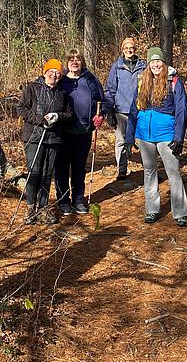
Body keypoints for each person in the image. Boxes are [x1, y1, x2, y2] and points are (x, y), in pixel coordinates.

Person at [125, 47, 187, 226]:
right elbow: (133, 109)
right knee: (149, 171)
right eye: (152, 61)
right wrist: (129, 137)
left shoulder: (173, 81)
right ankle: (152, 210)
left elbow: (182, 110)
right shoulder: (141, 81)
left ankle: (180, 212)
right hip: (144, 134)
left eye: (158, 61)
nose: (155, 65)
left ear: (163, 62)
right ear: (148, 64)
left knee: (173, 171)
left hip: (167, 133)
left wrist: (179, 137)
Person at [17, 59, 72, 225]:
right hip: (33, 136)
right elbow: (21, 108)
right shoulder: (32, 88)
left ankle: (43, 207)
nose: (54, 75)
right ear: (45, 72)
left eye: (58, 73)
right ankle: (30, 207)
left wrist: (57, 116)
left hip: (53, 138)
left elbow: (68, 114)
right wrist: (39, 120)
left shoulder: (62, 93)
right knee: (35, 172)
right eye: (52, 71)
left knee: (47, 174)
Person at [55, 49, 105, 216]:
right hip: (64, 131)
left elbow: (102, 100)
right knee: (62, 167)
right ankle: (63, 201)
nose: (74, 62)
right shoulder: (60, 81)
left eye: (78, 59)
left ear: (82, 62)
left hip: (84, 130)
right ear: (66, 63)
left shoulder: (90, 80)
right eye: (71, 59)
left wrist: (101, 115)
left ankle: (78, 200)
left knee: (78, 166)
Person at [104, 37, 146, 179]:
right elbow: (110, 89)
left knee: (143, 141)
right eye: (126, 48)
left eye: (132, 48)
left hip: (140, 110)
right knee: (121, 141)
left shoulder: (143, 67)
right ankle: (122, 169)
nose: (129, 50)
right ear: (122, 50)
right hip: (121, 110)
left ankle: (148, 169)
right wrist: (109, 110)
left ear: (135, 50)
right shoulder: (116, 66)